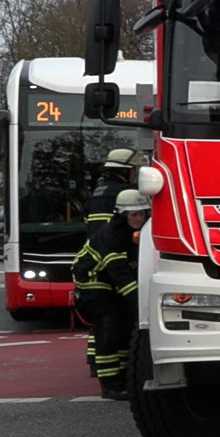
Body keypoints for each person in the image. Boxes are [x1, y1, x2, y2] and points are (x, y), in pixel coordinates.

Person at [73, 189, 148, 400]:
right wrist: (141, 306)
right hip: (92, 280)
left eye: (142, 213)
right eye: (134, 214)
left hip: (111, 281)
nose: (139, 218)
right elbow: (121, 275)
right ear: (122, 214)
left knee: (125, 326)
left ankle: (125, 378)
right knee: (110, 324)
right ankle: (110, 385)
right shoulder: (110, 235)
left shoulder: (138, 233)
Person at [84, 147, 145, 226]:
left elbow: (87, 221)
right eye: (134, 169)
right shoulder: (127, 193)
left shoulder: (95, 193)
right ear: (125, 171)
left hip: (94, 238)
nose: (135, 173)